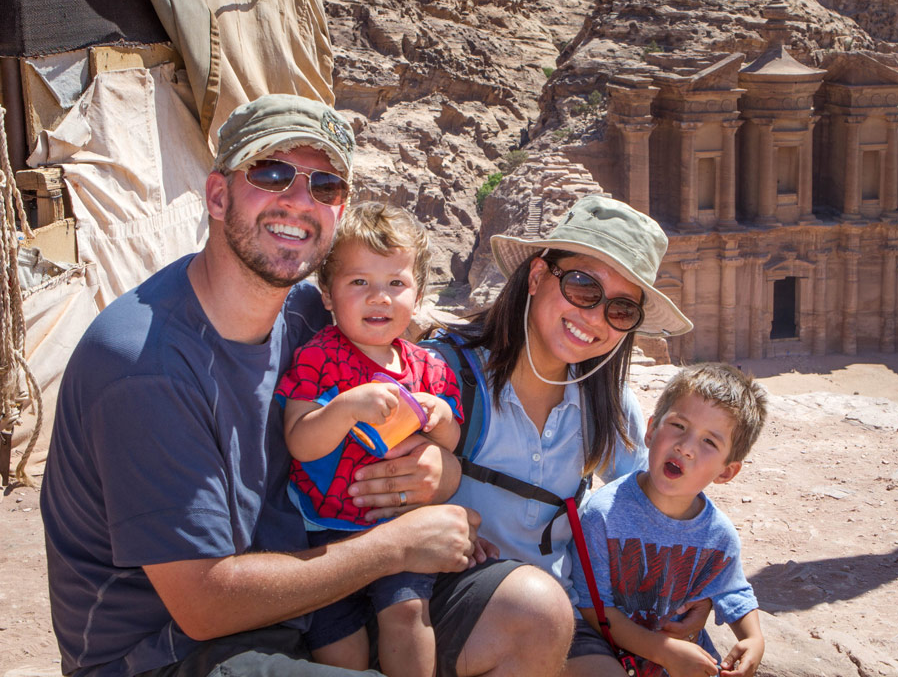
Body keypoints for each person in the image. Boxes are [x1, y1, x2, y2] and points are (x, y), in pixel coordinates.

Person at [40, 94, 573, 677]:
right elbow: (203, 603)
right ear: (218, 195)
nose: (298, 202)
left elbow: (410, 401)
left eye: (325, 186)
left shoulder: (310, 313)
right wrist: (397, 545)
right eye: (271, 173)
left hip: (307, 593)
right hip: (172, 653)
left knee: (534, 613)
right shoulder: (143, 364)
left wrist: (433, 471)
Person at [426, 194, 703, 677]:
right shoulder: (444, 376)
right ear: (537, 277)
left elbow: (650, 509)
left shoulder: (610, 409)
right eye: (582, 286)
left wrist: (701, 590)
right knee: (533, 611)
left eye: (620, 309)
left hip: (562, 610)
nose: (594, 317)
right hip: (448, 601)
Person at [278, 202, 464, 677]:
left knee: (407, 613)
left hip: (400, 526)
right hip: (324, 535)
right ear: (327, 294)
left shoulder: (430, 368)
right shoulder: (317, 357)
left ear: (418, 293)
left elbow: (452, 440)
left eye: (395, 284)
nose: (379, 297)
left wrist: (438, 415)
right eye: (359, 282)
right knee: (339, 643)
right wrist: (342, 409)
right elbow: (300, 442)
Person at [569, 363, 768, 677]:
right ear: (650, 430)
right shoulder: (604, 514)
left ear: (727, 471)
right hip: (607, 654)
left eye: (709, 443)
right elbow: (593, 607)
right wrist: (663, 651)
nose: (685, 447)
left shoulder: (718, 535)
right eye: (678, 425)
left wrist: (753, 639)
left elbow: (733, 592)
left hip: (680, 660)